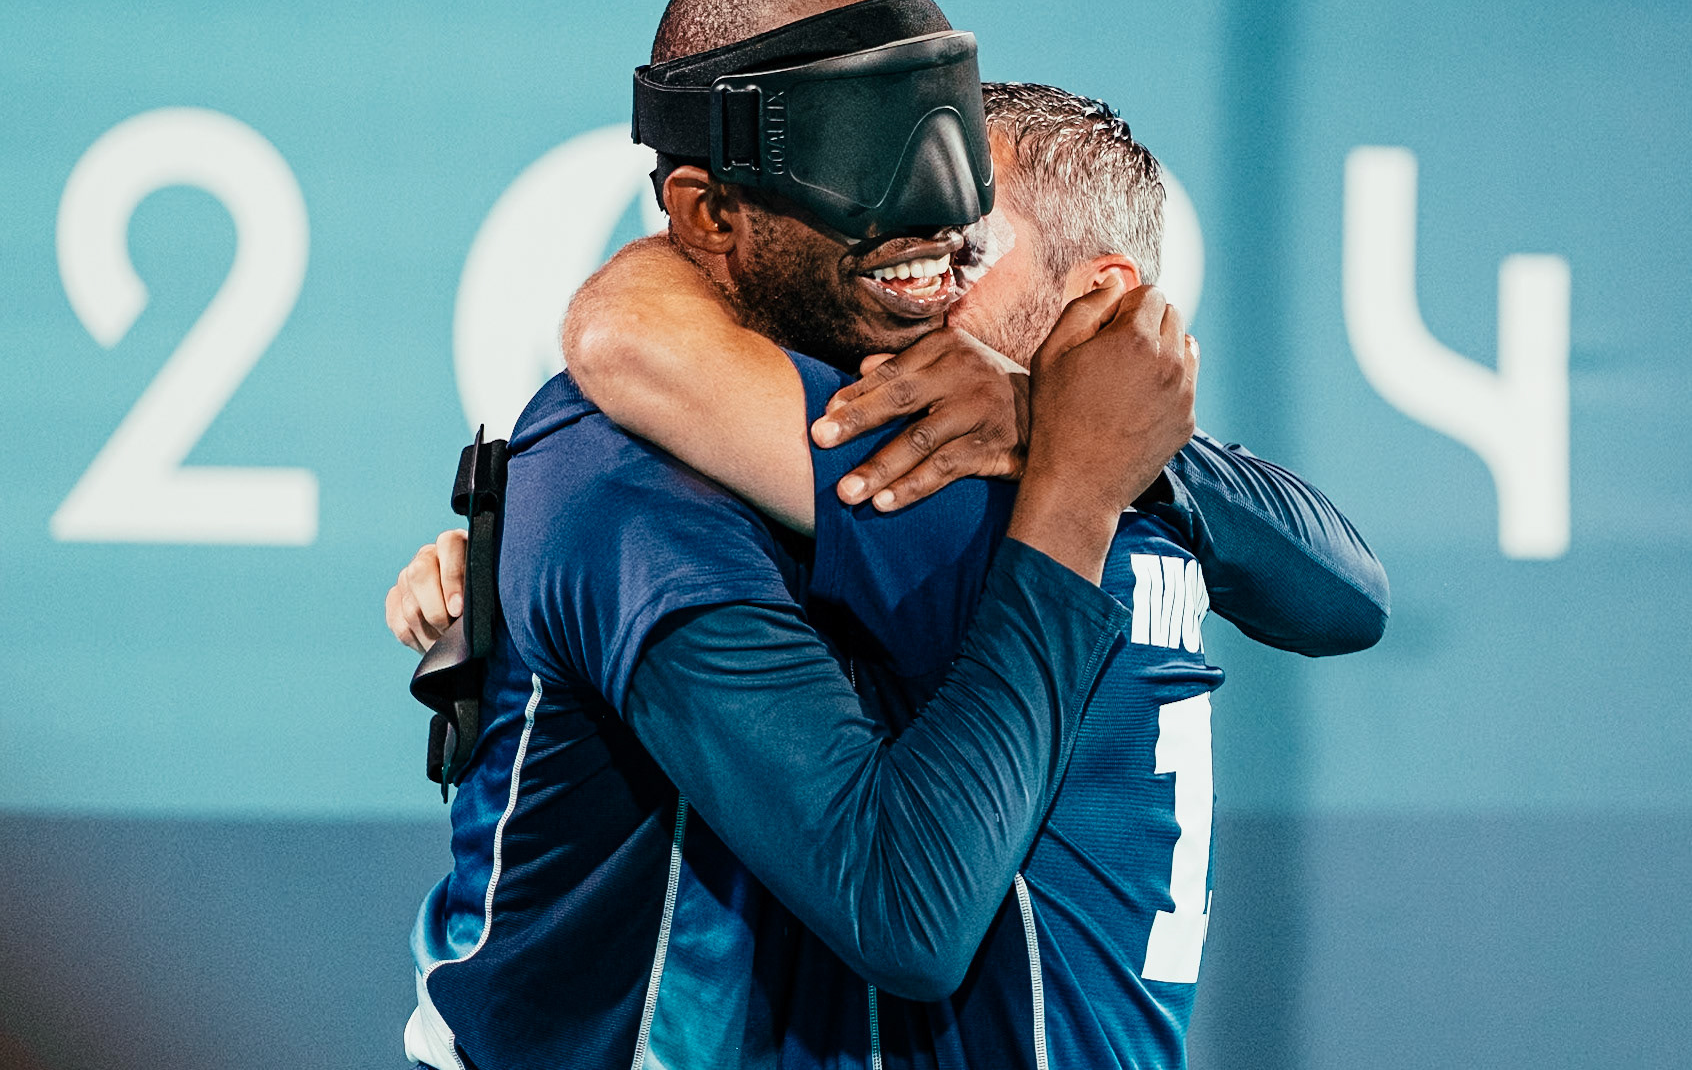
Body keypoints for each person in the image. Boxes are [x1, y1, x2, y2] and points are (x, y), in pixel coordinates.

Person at [392, 79, 1386, 1070]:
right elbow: (1352, 592)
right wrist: (1054, 416)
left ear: (1102, 303)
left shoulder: (970, 504)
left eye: (966, 251)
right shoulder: (1146, 513)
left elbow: (631, 337)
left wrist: (548, 531)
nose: (916, 278)